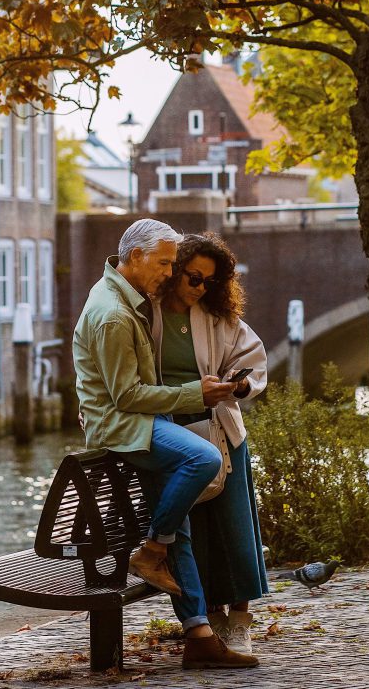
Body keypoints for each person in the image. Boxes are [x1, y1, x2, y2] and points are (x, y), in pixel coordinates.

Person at [72, 218, 259, 669]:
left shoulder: (128, 300)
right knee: (202, 458)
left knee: (185, 531)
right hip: (126, 424)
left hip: (143, 421)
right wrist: (196, 393)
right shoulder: (116, 313)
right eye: (165, 263)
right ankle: (153, 550)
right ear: (135, 257)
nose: (169, 273)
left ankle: (198, 635)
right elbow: (126, 396)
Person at [151, 232, 269, 655]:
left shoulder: (217, 316)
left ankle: (240, 621)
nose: (199, 287)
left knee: (235, 535)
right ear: (173, 270)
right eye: (193, 277)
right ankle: (209, 621)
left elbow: (251, 359)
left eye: (209, 282)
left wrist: (238, 387)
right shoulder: (146, 315)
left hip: (219, 434)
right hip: (171, 439)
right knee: (195, 539)